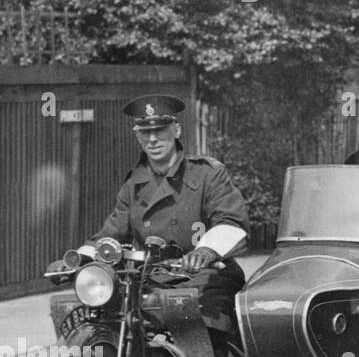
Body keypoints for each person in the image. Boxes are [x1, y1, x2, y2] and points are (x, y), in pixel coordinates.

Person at [79, 95, 251, 340]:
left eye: (160, 130)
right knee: (109, 317)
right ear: (137, 135)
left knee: (205, 323)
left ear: (176, 130)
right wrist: (79, 257)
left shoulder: (206, 174)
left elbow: (231, 222)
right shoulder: (134, 184)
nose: (153, 139)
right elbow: (111, 234)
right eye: (145, 132)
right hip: (151, 278)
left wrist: (206, 251)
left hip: (205, 276)